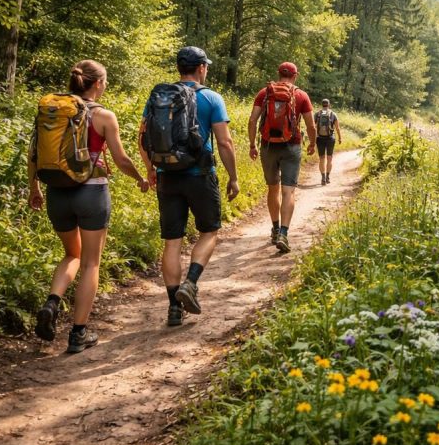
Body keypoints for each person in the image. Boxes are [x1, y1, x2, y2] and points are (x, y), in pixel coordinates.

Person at [29, 60, 150, 353]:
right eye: (105, 82)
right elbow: (120, 160)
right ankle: (78, 333)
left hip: (57, 192)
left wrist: (34, 188)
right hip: (92, 194)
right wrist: (141, 179)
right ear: (97, 84)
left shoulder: (51, 110)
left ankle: (52, 302)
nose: (105, 86)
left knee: (71, 253)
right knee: (91, 263)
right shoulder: (104, 116)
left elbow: (34, 152)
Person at [139, 46, 239, 327]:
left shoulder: (159, 96)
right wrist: (233, 177)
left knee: (172, 241)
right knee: (209, 231)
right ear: (201, 68)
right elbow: (224, 142)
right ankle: (190, 283)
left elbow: (143, 137)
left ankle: (173, 307)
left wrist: (151, 170)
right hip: (200, 175)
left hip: (167, 175)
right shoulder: (211, 97)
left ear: (179, 68)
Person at [248, 61, 316, 252]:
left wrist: (253, 144)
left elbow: (253, 120)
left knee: (272, 189)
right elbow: (311, 125)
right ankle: (284, 234)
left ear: (279, 74)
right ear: (295, 75)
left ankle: (275, 229)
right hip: (292, 146)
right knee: (288, 191)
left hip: (268, 146)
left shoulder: (264, 93)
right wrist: (312, 142)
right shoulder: (301, 95)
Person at [314, 98, 341, 185]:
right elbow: (337, 127)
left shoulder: (317, 114)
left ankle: (323, 178)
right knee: (329, 158)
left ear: (322, 105)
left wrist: (313, 139)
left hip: (320, 138)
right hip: (330, 138)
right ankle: (328, 177)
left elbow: (313, 127)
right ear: (329, 105)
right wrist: (340, 138)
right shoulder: (333, 114)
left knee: (322, 158)